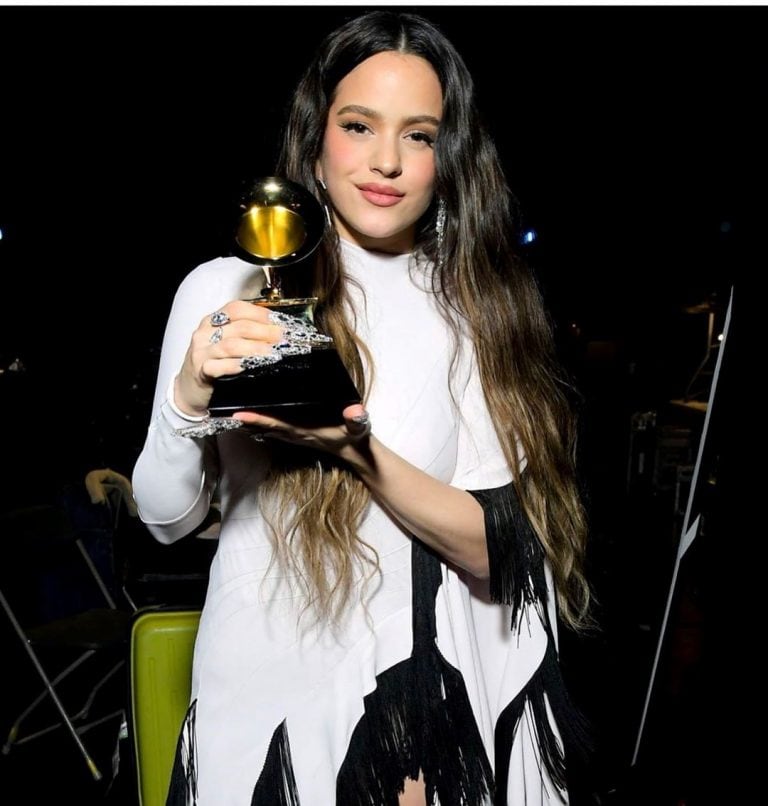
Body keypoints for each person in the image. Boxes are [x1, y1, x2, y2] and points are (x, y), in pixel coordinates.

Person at [132, 10, 590, 805]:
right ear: (316, 137)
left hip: (411, 702)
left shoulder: (471, 305)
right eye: (359, 125)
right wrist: (189, 397)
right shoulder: (223, 287)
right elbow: (164, 520)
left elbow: (499, 551)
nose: (386, 162)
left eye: (419, 135)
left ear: (449, 156)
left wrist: (353, 448)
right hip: (260, 693)